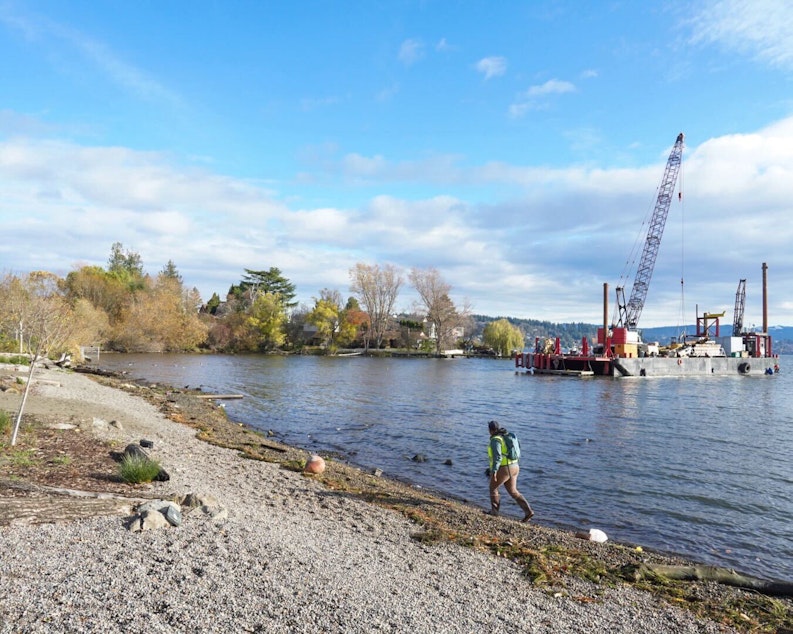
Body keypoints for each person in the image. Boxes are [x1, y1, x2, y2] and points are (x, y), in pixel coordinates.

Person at [485, 420, 534, 522]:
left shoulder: (495, 440)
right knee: (513, 491)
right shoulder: (506, 437)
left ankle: (494, 512)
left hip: (504, 468)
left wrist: (494, 471)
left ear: (490, 430)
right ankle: (528, 512)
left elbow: (497, 457)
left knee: (493, 488)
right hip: (515, 466)